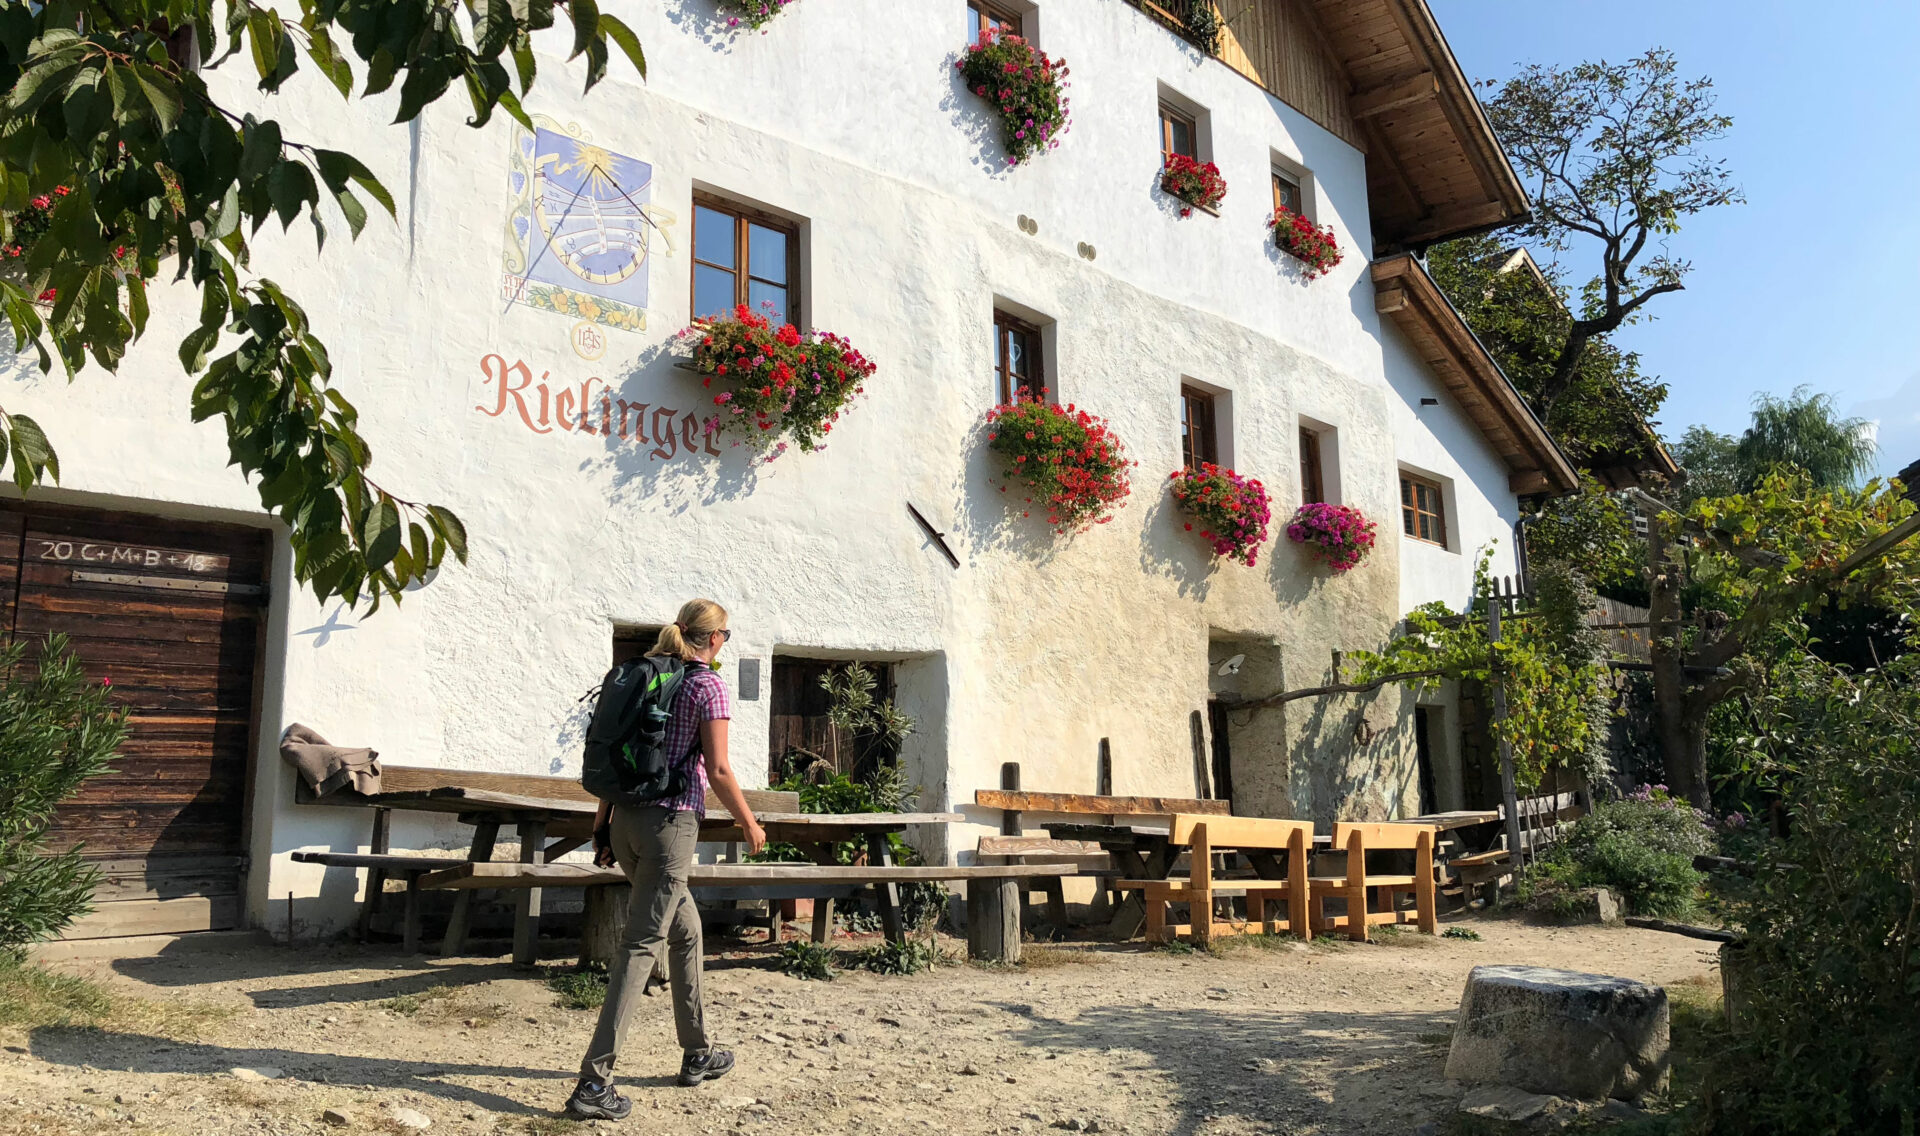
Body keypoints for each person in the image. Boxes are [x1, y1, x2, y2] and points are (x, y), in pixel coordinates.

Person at [565, 599, 767, 1120]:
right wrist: (749, 823)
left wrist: (601, 826)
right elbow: (718, 769)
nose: (725, 641)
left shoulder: (648, 678)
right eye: (725, 634)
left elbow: (620, 758)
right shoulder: (706, 685)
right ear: (714, 638)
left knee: (687, 930)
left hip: (626, 823)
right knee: (640, 945)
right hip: (669, 827)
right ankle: (594, 1083)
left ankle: (698, 1051)